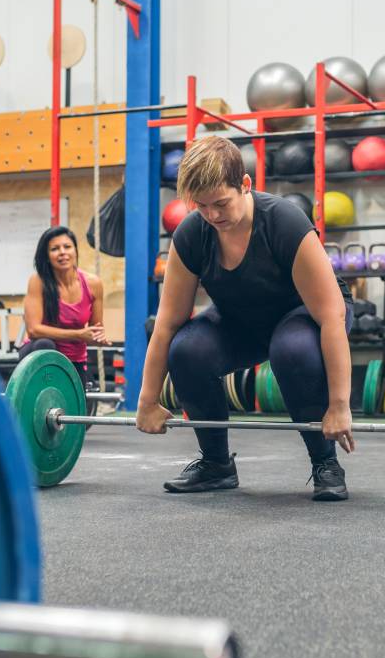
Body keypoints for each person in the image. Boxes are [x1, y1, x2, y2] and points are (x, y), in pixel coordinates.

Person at [136, 136, 355, 501]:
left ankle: (325, 463)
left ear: (246, 185)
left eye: (221, 203)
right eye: (202, 206)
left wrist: (339, 406)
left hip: (306, 315)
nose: (213, 215)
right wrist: (146, 400)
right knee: (187, 350)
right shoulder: (192, 234)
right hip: (244, 319)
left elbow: (331, 317)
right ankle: (216, 464)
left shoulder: (283, 222)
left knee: (292, 350)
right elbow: (168, 322)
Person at [19, 225, 109, 384]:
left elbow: (95, 329)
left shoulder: (93, 283)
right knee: (45, 344)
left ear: (75, 250)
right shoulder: (38, 281)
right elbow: (33, 330)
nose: (62, 252)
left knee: (75, 407)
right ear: (47, 255)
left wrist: (97, 338)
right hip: (38, 354)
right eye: (55, 249)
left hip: (74, 358)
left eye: (67, 247)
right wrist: (78, 335)